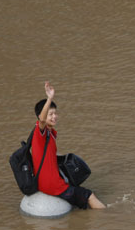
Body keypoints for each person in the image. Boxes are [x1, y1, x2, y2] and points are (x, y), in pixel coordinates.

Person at [31, 81, 105, 210]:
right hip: (52, 186)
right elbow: (42, 120)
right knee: (89, 195)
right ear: (41, 116)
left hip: (43, 183)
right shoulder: (40, 131)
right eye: (50, 114)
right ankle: (107, 219)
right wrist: (49, 98)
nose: (54, 117)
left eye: (55, 113)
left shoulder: (49, 133)